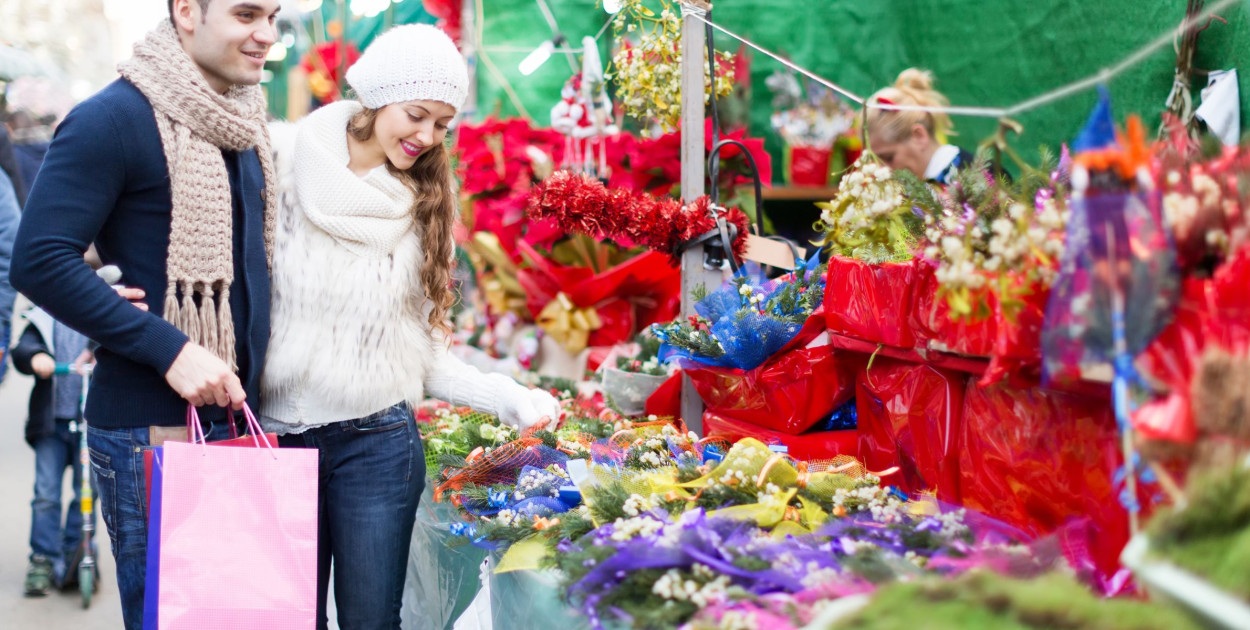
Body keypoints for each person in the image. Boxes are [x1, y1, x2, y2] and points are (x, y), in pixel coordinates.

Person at [262, 24, 561, 629]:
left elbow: (422, 353)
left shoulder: (422, 206)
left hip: (375, 445)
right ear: (376, 98)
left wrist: (508, 397)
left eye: (442, 124)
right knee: (282, 620)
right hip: (270, 441)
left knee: (372, 622)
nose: (426, 138)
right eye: (416, 115)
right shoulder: (277, 165)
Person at [10, 0, 281, 626]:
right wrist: (172, 348)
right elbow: (39, 259)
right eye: (246, 14)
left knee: (242, 616)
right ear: (188, 10)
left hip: (236, 417)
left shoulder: (240, 122)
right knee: (174, 618)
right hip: (150, 429)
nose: (265, 34)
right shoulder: (111, 118)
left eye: (272, 16)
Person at [12, 307, 95, 597]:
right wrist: (36, 356)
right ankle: (43, 558)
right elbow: (23, 348)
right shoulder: (45, 314)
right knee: (46, 493)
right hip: (51, 424)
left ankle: (77, 549)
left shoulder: (101, 312)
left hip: (92, 425)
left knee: (86, 492)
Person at [865, 68, 974, 185]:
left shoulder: (975, 180)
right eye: (875, 161)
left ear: (919, 136)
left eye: (889, 157)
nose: (883, 170)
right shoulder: (919, 187)